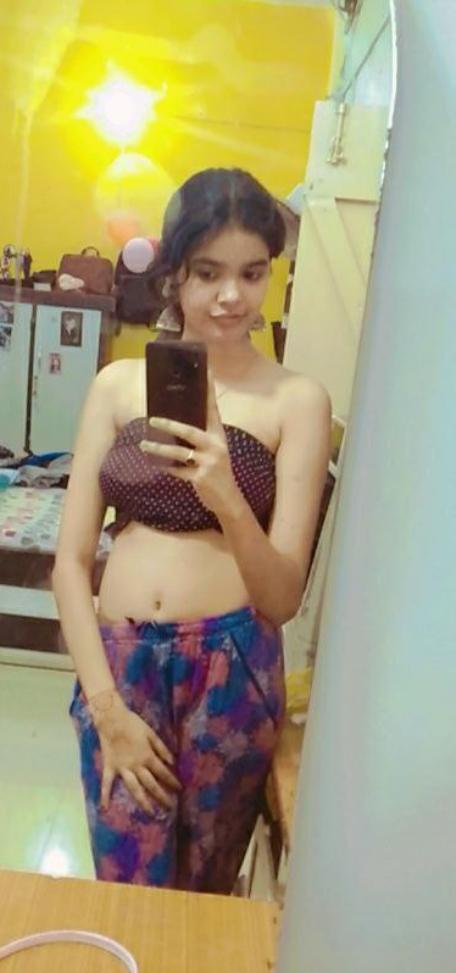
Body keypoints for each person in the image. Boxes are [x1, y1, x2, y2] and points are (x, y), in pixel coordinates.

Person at [53, 168, 331, 894]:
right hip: (119, 669)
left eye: (251, 273)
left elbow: (282, 598)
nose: (231, 296)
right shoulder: (116, 386)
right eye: (208, 273)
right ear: (175, 272)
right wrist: (106, 708)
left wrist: (227, 496)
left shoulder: (296, 401)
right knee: (125, 888)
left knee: (200, 898)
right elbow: (70, 562)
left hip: (229, 670)